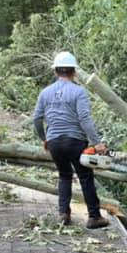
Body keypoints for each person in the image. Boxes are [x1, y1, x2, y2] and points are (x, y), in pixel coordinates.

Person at [33, 52, 109, 229]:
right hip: (75, 141)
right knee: (85, 177)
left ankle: (63, 214)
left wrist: (44, 139)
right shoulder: (79, 91)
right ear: (74, 71)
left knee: (64, 176)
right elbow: (84, 119)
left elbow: (37, 119)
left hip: (55, 142)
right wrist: (97, 142)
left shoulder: (45, 93)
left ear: (55, 72)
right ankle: (94, 217)